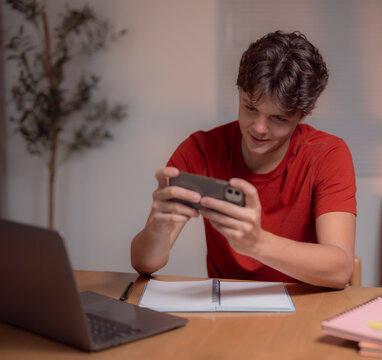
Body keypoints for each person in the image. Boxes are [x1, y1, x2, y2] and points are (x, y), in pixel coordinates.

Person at [131, 30, 357, 289]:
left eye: (279, 118)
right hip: (225, 311)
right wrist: (159, 229)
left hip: (305, 310)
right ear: (239, 92)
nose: (259, 128)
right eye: (250, 108)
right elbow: (143, 264)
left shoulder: (328, 154)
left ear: (302, 116)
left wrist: (258, 243)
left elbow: (340, 269)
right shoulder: (200, 150)